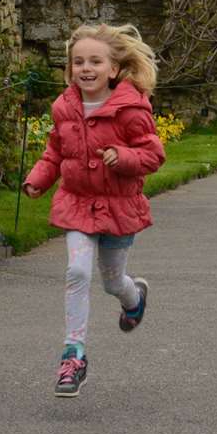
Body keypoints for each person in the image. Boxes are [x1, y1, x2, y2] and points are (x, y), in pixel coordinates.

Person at [23, 22, 167, 398]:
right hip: (77, 204)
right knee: (76, 271)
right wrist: (39, 179)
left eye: (95, 62)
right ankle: (74, 355)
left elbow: (153, 155)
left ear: (114, 69)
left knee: (111, 282)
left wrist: (123, 157)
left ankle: (133, 297)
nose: (85, 68)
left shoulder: (131, 109)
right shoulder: (64, 108)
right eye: (78, 62)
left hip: (119, 208)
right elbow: (55, 151)